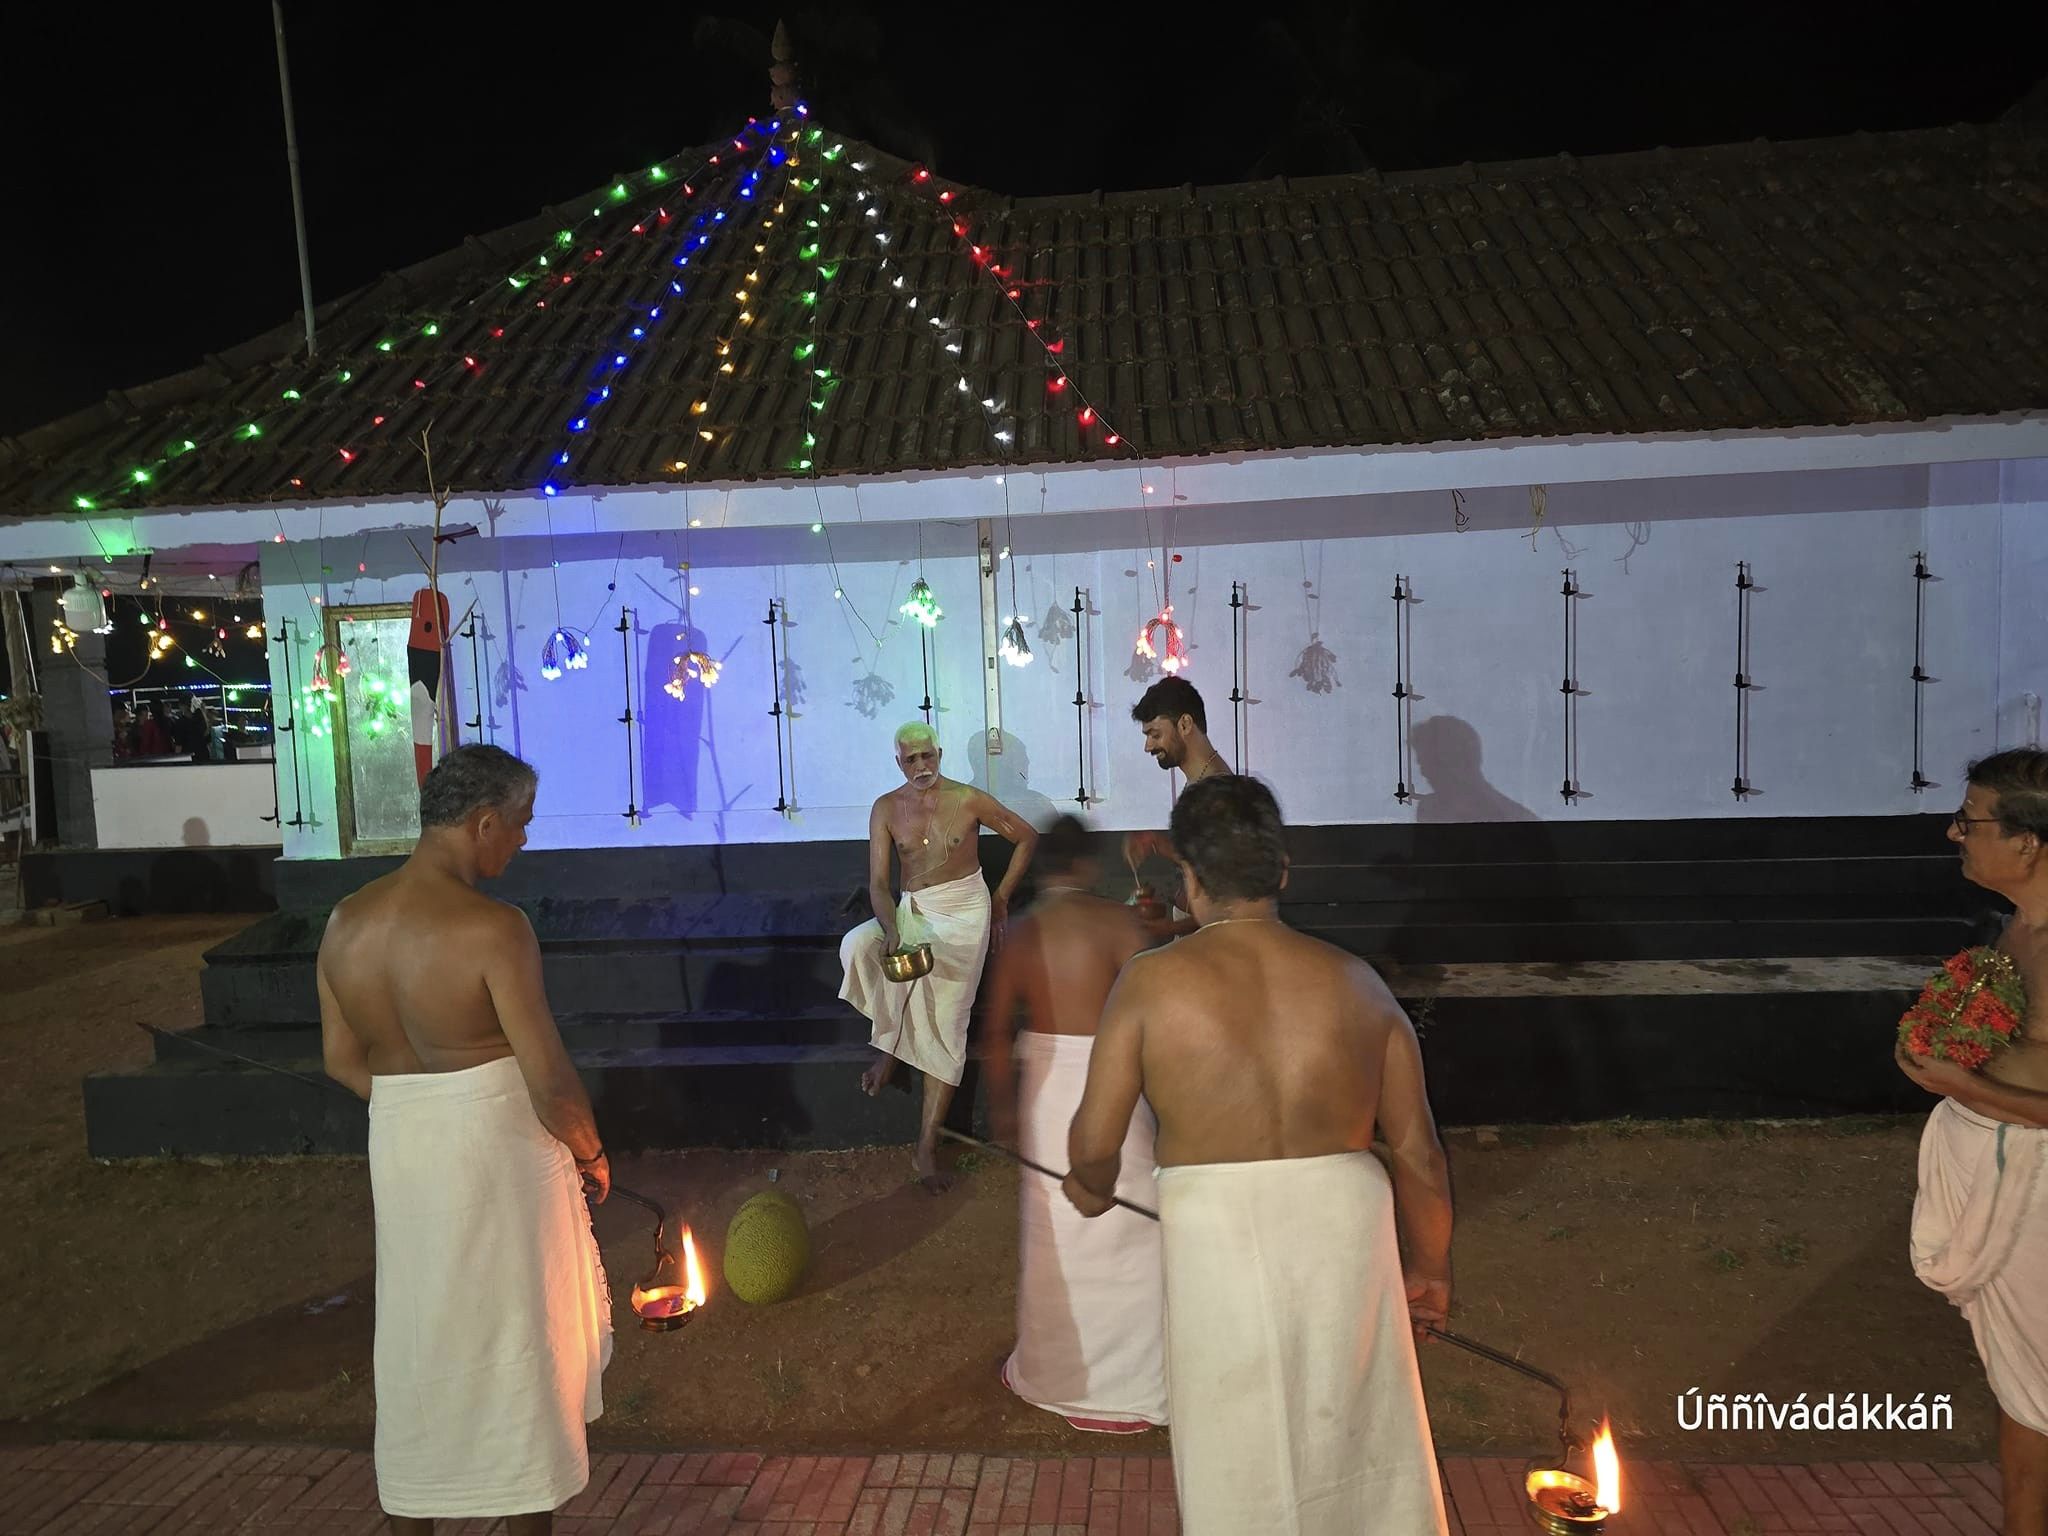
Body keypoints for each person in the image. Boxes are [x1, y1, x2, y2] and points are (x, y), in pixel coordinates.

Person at [1065, 774, 1452, 1536]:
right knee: (1355, 1430)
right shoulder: (1361, 985)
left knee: (1240, 1447)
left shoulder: (1150, 985)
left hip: (1219, 1241)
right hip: (1345, 1224)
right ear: (1281, 871)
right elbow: (1418, 1152)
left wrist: (1091, 1186)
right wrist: (1432, 1269)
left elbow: (1094, 1144)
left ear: (1189, 879)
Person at [318, 745, 612, 1535]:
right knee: (515, 1335)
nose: (520, 842)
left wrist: (424, 1109)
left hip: (404, 1144)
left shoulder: (345, 923)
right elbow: (548, 1079)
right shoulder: (494, 928)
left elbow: (341, 1060)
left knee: (422, 1336)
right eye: (518, 825)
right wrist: (590, 1152)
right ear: (483, 823)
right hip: (494, 1153)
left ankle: (416, 1508)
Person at [1898, 749, 2048, 1536]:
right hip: (2004, 1174)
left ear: (2027, 842)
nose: (1957, 832)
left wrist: (1966, 1087)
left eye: (1973, 820)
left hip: (2038, 1191)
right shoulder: (2016, 928)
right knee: (2024, 1391)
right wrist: (1940, 1052)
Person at [982, 814, 1164, 1434]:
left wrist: (1004, 1109)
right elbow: (1158, 1009)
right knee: (1128, 1222)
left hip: (1048, 1090)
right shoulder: (1119, 923)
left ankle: (1063, 1374)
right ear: (1088, 865)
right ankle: (1138, 1379)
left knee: (1059, 1230)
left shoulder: (1026, 933)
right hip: (1113, 1081)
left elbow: (996, 1030)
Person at [841, 720, 1037, 1191]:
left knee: (949, 1021)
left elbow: (1027, 837)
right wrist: (890, 928)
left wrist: (1003, 898)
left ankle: (925, 1144)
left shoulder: (968, 799)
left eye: (928, 756)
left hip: (967, 912)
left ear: (940, 753)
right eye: (911, 760)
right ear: (899, 762)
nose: (922, 766)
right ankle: (889, 1047)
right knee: (858, 946)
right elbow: (877, 884)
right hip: (913, 908)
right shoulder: (885, 808)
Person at [1123, 677, 1233, 937]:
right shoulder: (1200, 781)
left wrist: (1171, 928)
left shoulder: (1217, 791)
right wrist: (1156, 844)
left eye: (1155, 734)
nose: (1148, 746)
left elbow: (1225, 895)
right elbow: (1201, 858)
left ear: (1185, 724)